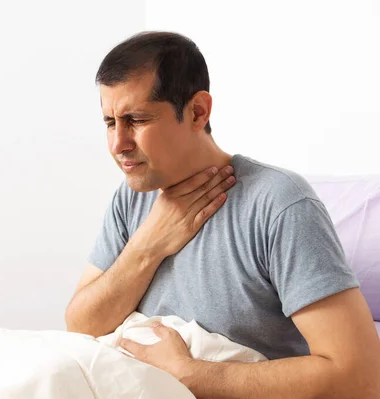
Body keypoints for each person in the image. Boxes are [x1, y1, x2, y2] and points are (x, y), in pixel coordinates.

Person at [65, 31, 380, 398]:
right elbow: (81, 325)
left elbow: (361, 378)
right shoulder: (133, 198)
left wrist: (188, 374)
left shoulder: (278, 205)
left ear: (198, 112)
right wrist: (148, 247)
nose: (118, 144)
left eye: (136, 119)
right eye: (109, 122)